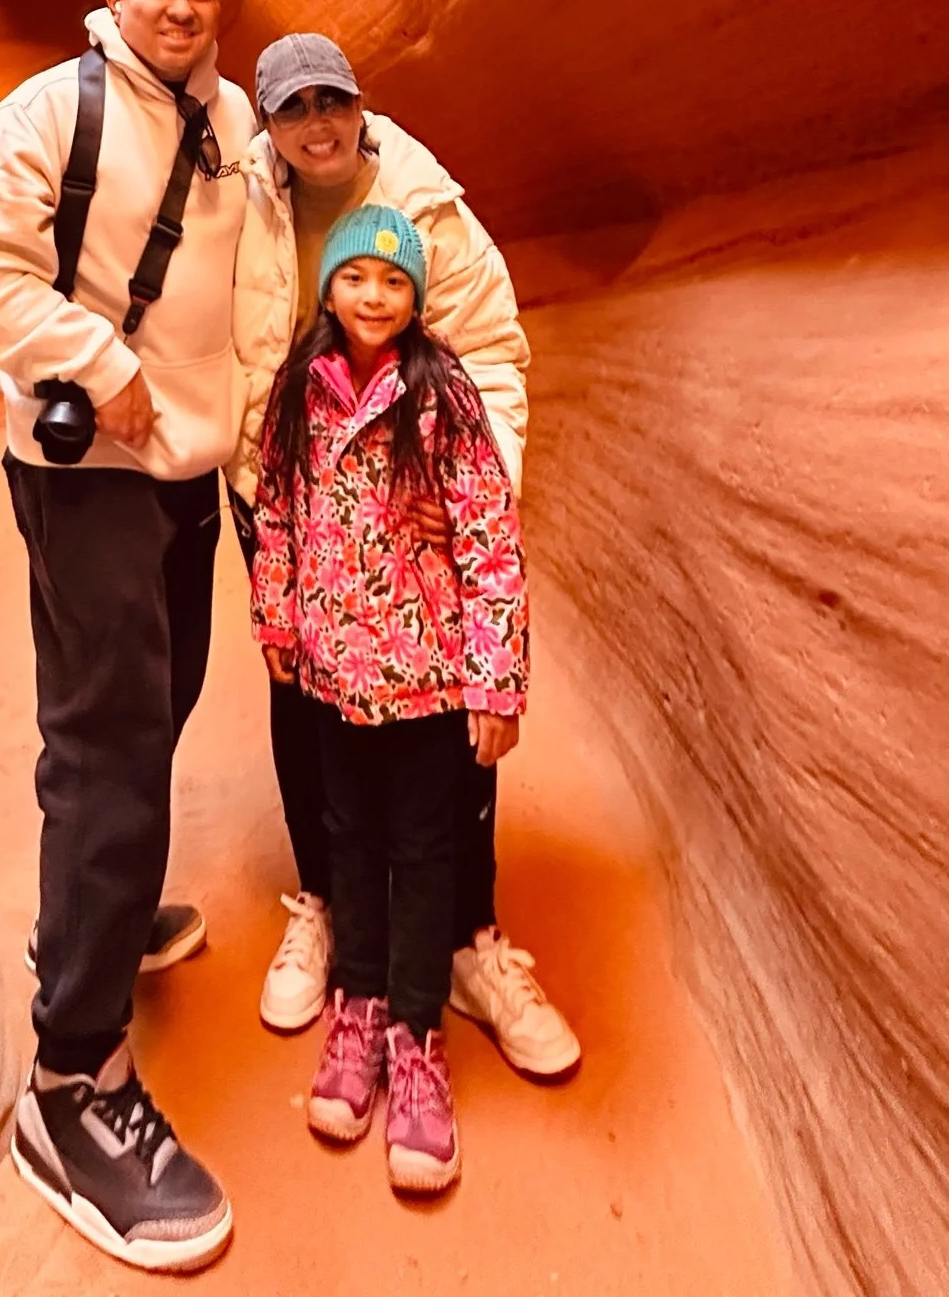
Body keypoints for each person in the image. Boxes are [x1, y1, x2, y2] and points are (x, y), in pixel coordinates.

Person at [0, 0, 253, 1273]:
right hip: (85, 470)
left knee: (158, 703)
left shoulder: (230, 116)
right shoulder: (44, 114)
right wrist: (99, 365)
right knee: (110, 743)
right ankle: (71, 1083)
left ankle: (93, 918)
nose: (178, 9)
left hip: (187, 466)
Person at [230, 33, 579, 1079]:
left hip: (417, 504)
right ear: (268, 124)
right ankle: (331, 908)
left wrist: (469, 492)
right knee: (307, 709)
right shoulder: (239, 199)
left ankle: (468, 938)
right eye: (295, 110)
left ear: (360, 102)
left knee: (445, 738)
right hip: (286, 490)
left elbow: (497, 354)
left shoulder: (425, 203)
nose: (318, 125)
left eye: (333, 100)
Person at [251, 204, 528, 1191]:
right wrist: (277, 619)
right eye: (357, 276)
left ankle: (414, 1033)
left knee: (425, 845)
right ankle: (357, 1002)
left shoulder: (442, 395)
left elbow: (490, 539)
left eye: (394, 280)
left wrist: (497, 676)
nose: (375, 296)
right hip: (332, 675)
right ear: (328, 285)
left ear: (417, 295)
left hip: (426, 681)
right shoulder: (300, 387)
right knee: (348, 839)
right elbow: (277, 509)